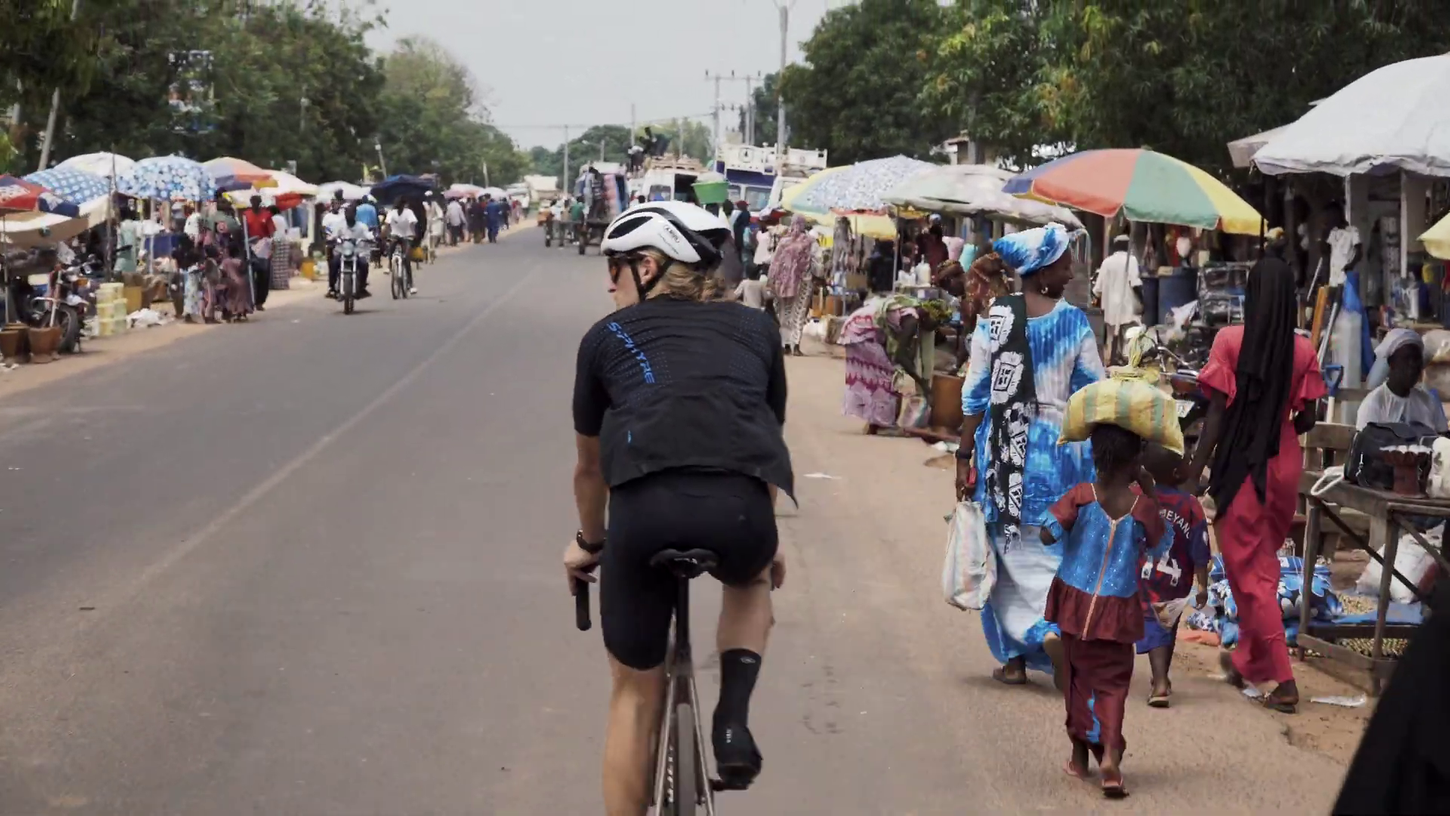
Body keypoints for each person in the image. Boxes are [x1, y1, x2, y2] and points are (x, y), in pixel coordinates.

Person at [564, 201, 791, 814]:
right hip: (740, 509)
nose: (607, 283)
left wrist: (588, 543)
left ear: (648, 265)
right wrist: (766, 541)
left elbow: (590, 469)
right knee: (750, 580)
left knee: (634, 698)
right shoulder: (757, 329)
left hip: (644, 516)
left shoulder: (604, 338)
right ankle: (731, 721)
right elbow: (763, 442)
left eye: (614, 269)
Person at [956, 224, 1106, 687]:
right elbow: (1093, 394)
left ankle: (1021, 652)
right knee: (1051, 551)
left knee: (1003, 553)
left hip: (1004, 450)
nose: (1072, 270)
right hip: (1060, 453)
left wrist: (964, 457)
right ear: (1041, 273)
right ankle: (1052, 632)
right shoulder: (1074, 322)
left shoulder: (994, 320)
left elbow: (974, 397)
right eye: (1064, 264)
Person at [1181, 257, 1325, 714]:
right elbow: (1309, 417)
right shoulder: (1303, 351)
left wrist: (1193, 472)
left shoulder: (1229, 341)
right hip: (1284, 463)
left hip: (1243, 465)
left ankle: (1284, 680)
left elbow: (1217, 416)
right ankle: (1246, 658)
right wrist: (1277, 429)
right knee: (1256, 559)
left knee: (1251, 570)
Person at [1044, 422, 1166, 799]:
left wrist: (1060, 522)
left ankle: (1080, 757)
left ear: (1094, 458)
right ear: (1136, 463)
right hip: (1118, 611)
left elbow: (1048, 532)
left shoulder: (1081, 496)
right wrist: (1150, 493)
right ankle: (1110, 758)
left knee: (1076, 679)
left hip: (1074, 605)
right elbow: (1161, 545)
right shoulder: (1142, 508)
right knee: (1113, 685)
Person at [1135, 443, 1210, 709]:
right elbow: (1200, 548)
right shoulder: (1190, 505)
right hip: (1177, 582)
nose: (1193, 462)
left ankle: (1160, 681)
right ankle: (1161, 679)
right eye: (1188, 460)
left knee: (1158, 628)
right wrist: (1202, 585)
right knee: (1164, 627)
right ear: (1178, 473)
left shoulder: (1140, 498)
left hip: (1145, 578)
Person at [837, 295, 942, 433]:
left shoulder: (910, 312)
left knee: (877, 376)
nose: (930, 329)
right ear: (928, 315)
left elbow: (904, 353)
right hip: (859, 331)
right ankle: (883, 425)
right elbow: (900, 356)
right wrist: (922, 384)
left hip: (857, 327)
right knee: (884, 375)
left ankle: (875, 423)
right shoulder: (911, 321)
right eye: (934, 324)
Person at [1357, 328, 1448, 431]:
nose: (1413, 365)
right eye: (1406, 359)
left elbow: (1443, 439)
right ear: (1392, 363)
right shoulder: (1375, 405)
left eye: (1416, 359)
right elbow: (1365, 444)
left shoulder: (1429, 402)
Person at [768, 215, 817, 356]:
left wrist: (771, 281)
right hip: (802, 282)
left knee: (784, 313)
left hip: (782, 283)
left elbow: (774, 263)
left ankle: (785, 345)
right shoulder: (810, 242)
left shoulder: (783, 242)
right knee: (799, 312)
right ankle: (795, 345)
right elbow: (817, 263)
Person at [1094, 234, 1143, 365]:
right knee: (1129, 338)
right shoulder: (1131, 260)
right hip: (1127, 306)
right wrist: (1143, 301)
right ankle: (1128, 363)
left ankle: (1110, 363)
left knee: (1111, 340)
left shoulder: (1106, 262)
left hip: (1110, 309)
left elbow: (1097, 289)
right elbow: (1135, 284)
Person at [325, 206, 373, 299]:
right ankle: (332, 287)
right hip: (342, 252)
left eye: (351, 213)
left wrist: (371, 239)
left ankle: (362, 287)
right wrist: (331, 240)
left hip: (357, 253)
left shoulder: (362, 226)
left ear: (355, 214)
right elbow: (333, 236)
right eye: (347, 213)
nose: (349, 215)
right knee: (333, 264)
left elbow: (368, 236)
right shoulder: (339, 226)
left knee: (364, 264)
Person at [241, 196, 275, 311]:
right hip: (250, 246)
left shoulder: (266, 215)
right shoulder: (246, 215)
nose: (255, 204)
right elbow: (243, 231)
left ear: (260, 203)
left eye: (257, 202)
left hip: (263, 247)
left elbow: (271, 233)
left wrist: (271, 248)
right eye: (253, 202)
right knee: (249, 274)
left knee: (264, 274)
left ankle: (260, 301)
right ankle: (250, 300)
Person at [385, 197, 420, 295]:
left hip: (407, 236)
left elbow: (412, 223)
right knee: (391, 246)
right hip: (395, 235)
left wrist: (412, 233)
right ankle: (389, 265)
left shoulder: (408, 212)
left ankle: (411, 284)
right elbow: (387, 225)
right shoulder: (391, 213)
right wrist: (386, 234)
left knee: (406, 259)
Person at [218, 242, 254, 321]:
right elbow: (243, 270)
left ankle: (231, 313)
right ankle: (240, 314)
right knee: (241, 299)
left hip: (231, 282)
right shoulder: (237, 261)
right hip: (241, 282)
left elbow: (221, 272)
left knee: (231, 298)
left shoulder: (225, 262)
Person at [1326, 206, 1361, 287]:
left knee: (1345, 297)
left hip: (1346, 276)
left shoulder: (1352, 231)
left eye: (1331, 216)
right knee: (1333, 298)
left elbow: (1359, 252)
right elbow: (1325, 251)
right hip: (1333, 277)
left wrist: (1350, 266)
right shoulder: (1333, 232)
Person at [268, 205, 292, 291]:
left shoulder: (272, 219)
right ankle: (284, 284)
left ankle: (277, 285)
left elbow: (271, 231)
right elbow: (286, 230)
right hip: (285, 241)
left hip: (276, 241)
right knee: (283, 264)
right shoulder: (282, 218)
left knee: (276, 264)